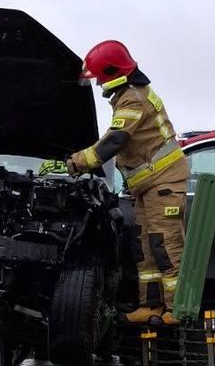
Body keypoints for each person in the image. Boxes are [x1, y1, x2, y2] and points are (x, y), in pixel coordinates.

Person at [67, 40, 189, 324]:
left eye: (99, 78)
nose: (98, 84)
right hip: (148, 185)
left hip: (164, 182)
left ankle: (178, 308)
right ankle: (151, 306)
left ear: (113, 73)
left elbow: (113, 142)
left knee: (165, 244)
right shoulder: (126, 96)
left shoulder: (133, 99)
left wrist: (75, 162)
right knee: (144, 247)